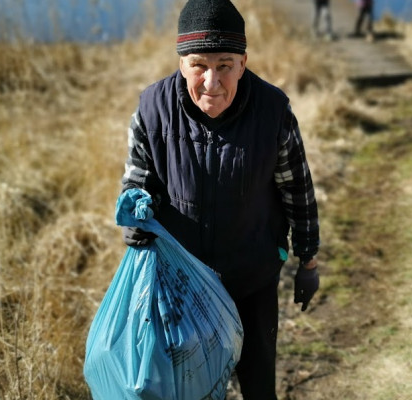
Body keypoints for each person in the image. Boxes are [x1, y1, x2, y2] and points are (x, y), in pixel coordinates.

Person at [119, 0, 321, 398]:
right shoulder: (151, 110)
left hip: (252, 276)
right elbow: (136, 180)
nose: (212, 82)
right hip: (181, 285)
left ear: (243, 63)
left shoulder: (273, 111)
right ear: (181, 63)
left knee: (258, 384)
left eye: (224, 65)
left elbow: (297, 188)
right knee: (186, 386)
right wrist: (134, 215)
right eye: (199, 65)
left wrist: (308, 260)